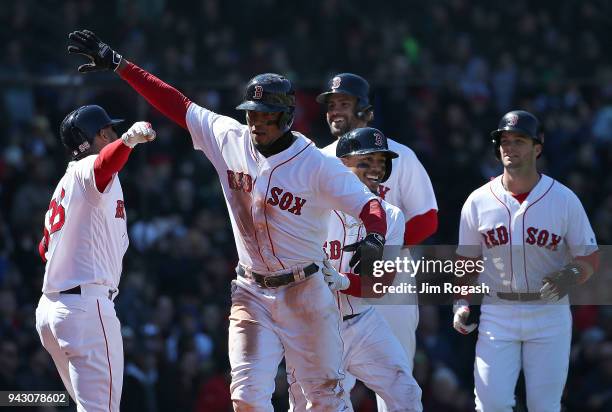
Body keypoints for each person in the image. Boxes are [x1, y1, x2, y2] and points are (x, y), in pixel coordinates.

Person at [67, 30, 389, 411]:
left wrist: (374, 240)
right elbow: (176, 103)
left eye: (266, 115)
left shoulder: (316, 165)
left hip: (305, 291)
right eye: (251, 113)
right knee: (247, 398)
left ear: (286, 117)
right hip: (251, 290)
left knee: (324, 399)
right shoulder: (229, 137)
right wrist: (121, 66)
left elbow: (371, 207)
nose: (255, 122)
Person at [453, 110, 600, 411]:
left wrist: (569, 275)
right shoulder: (478, 200)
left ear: (537, 147)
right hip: (498, 312)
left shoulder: (564, 199)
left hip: (549, 313)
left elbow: (590, 258)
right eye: (504, 140)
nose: (509, 147)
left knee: (544, 406)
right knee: (490, 404)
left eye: (519, 140)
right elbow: (466, 261)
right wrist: (461, 302)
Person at [318, 73, 437, 410]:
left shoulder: (398, 156)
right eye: (332, 104)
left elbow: (427, 219)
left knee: (396, 377)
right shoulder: (318, 158)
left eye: (345, 103)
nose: (336, 110)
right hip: (331, 287)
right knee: (330, 388)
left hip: (388, 276)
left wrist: (382, 249)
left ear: (366, 111)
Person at [288, 127, 423, 411]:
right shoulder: (312, 206)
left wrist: (344, 281)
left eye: (381, 162)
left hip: (362, 321)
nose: (376, 168)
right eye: (366, 161)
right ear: (340, 164)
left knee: (406, 392)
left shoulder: (392, 216)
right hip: (315, 327)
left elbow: (380, 285)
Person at [35, 104, 156, 411]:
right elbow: (103, 165)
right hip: (86, 308)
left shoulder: (65, 184)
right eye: (111, 130)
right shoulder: (90, 170)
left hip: (54, 312)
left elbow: (43, 250)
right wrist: (128, 140)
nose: (114, 134)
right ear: (102, 134)